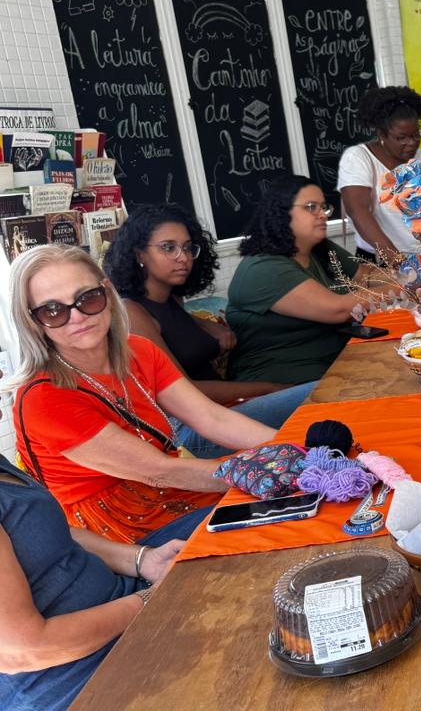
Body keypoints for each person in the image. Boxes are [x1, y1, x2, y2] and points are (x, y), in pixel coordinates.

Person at [8, 245, 276, 544]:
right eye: (53, 310)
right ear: (34, 322)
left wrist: (292, 449)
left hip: (173, 491)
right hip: (117, 534)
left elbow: (211, 418)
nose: (77, 316)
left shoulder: (139, 351)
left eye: (87, 298)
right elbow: (157, 472)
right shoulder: (43, 397)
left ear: (107, 294)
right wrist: (262, 469)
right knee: (273, 516)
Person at [103, 205, 315, 458]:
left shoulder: (169, 298)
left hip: (220, 411)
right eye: (168, 247)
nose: (183, 257)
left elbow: (173, 324)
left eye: (188, 247)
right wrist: (269, 388)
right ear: (139, 253)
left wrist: (204, 324)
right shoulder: (132, 312)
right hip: (193, 430)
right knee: (316, 393)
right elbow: (187, 392)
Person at [0, 453, 182, 711]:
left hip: (127, 610)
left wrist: (142, 560)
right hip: (78, 678)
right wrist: (148, 600)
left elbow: (60, 534)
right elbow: (25, 650)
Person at [228, 176, 388, 385]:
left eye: (324, 207)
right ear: (281, 213)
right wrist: (407, 287)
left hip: (335, 362)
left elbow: (365, 276)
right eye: (311, 207)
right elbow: (338, 310)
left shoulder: (319, 248)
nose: (323, 215)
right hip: (282, 382)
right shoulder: (263, 268)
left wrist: (420, 275)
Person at [338, 86, 421, 259]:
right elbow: (357, 210)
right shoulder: (358, 158)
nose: (411, 143)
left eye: (416, 135)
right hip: (385, 262)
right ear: (382, 134)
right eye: (401, 138)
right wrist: (397, 260)